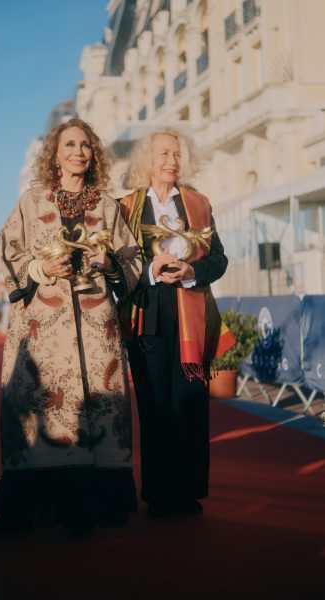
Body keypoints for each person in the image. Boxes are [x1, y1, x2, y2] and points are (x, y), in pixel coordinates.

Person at [0, 118, 142, 534]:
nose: (78, 152)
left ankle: (86, 511)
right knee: (43, 410)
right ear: (54, 154)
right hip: (43, 330)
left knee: (97, 411)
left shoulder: (107, 206)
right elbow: (9, 251)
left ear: (94, 154)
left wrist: (110, 262)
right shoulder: (31, 203)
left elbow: (134, 260)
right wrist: (41, 268)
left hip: (96, 329)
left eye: (85, 145)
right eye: (69, 145)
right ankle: (26, 512)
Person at [118, 128, 234, 517]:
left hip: (191, 314)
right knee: (155, 409)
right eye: (164, 153)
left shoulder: (198, 203)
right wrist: (149, 271)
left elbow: (219, 259)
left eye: (177, 154)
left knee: (190, 406)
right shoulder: (126, 207)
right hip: (146, 315)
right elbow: (118, 265)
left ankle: (187, 492)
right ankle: (157, 494)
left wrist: (191, 271)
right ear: (147, 160)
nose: (172, 161)